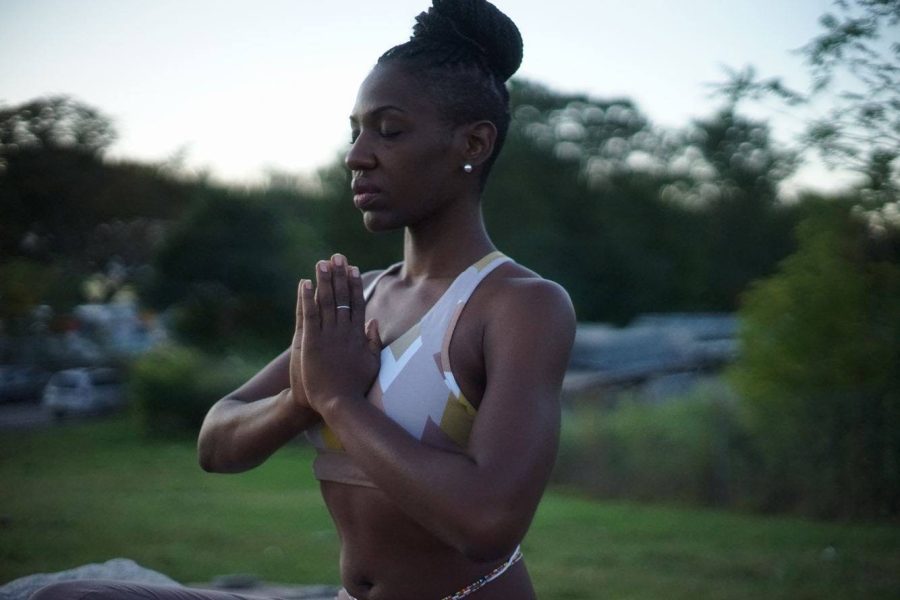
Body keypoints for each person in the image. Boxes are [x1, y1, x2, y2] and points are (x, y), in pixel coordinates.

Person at [33, 1, 575, 598]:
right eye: (356, 131)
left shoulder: (521, 306)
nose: (356, 156)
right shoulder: (357, 296)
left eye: (389, 130)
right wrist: (302, 397)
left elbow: (488, 523)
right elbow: (217, 443)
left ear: (472, 141)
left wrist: (340, 401)